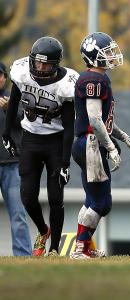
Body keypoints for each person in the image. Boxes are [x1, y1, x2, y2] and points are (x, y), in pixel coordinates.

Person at [2, 37, 78, 257]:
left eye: (47, 64)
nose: (41, 68)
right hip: (30, 139)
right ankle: (43, 231)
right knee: (27, 196)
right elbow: (14, 101)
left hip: (55, 140)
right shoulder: (22, 72)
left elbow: (69, 125)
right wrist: (7, 134)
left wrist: (65, 162)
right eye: (38, 63)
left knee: (56, 197)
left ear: (56, 64)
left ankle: (54, 248)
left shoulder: (66, 84)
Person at [70, 32, 130, 259]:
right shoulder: (93, 79)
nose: (112, 56)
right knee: (102, 202)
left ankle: (85, 247)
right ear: (93, 56)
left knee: (92, 200)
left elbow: (104, 121)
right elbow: (94, 119)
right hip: (90, 144)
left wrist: (125, 139)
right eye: (106, 52)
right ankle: (80, 248)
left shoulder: (101, 79)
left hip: (88, 142)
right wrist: (110, 148)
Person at [0, 62, 32, 256]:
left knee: (18, 214)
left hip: (12, 164)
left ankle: (23, 255)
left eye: (1, 75)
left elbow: (26, 120)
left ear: (5, 78)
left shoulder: (16, 97)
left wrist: (7, 109)